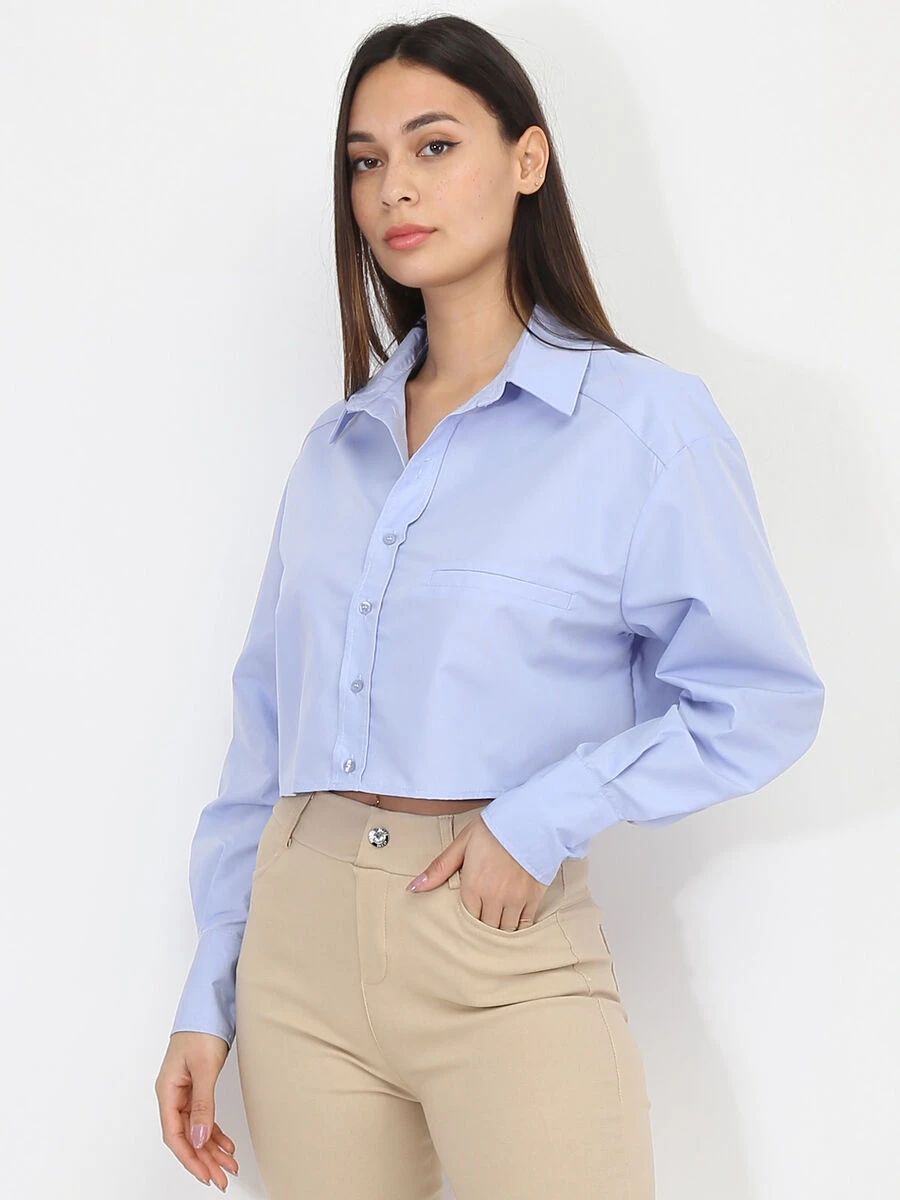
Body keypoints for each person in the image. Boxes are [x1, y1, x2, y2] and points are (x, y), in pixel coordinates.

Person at [155, 15, 825, 1199]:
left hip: (498, 948)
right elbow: (264, 731)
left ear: (527, 158)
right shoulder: (337, 448)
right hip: (297, 956)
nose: (393, 191)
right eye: (366, 161)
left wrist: (541, 818)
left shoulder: (642, 426)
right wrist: (208, 994)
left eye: (433, 146)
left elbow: (759, 700)